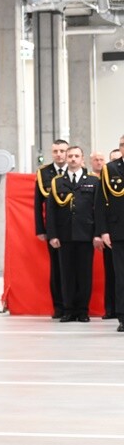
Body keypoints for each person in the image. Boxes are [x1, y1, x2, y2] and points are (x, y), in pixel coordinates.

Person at [46, 145, 97, 322]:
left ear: (82, 159)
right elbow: (51, 211)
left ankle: (82, 310)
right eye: (70, 156)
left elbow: (97, 211)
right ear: (66, 159)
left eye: (76, 156)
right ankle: (68, 310)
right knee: (66, 274)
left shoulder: (93, 181)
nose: (73, 159)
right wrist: (52, 235)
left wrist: (97, 234)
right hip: (64, 236)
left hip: (85, 235)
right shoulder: (57, 182)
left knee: (84, 274)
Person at [35, 140, 70, 319]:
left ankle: (73, 306)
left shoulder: (77, 173)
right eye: (55, 151)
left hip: (74, 230)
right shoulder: (44, 173)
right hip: (53, 229)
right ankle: (59, 307)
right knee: (56, 269)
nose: (59, 154)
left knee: (72, 269)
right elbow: (37, 203)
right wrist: (41, 229)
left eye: (63, 150)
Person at [95, 139, 124, 332]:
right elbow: (100, 203)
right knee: (121, 276)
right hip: (118, 231)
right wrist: (103, 231)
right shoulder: (110, 169)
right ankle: (122, 316)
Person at [89, 151, 115, 318]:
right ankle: (112, 309)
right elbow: (98, 209)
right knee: (112, 273)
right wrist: (100, 232)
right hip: (111, 232)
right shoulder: (97, 181)